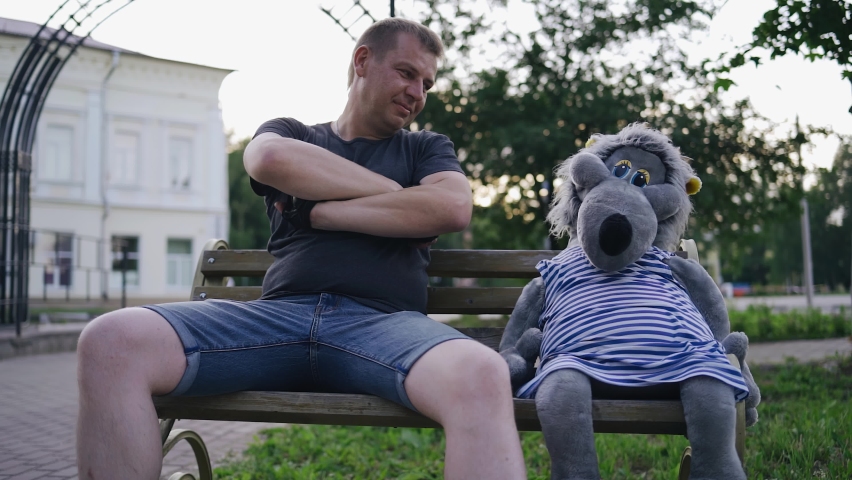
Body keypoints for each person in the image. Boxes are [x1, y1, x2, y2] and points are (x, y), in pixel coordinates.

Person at [76, 18, 527, 480]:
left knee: (481, 374)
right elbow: (269, 158)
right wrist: (398, 195)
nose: (418, 93)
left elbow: (452, 207)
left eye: (427, 83)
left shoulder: (425, 148)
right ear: (363, 61)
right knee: (110, 341)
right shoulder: (295, 134)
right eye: (407, 73)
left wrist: (319, 213)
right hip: (275, 321)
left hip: (383, 326)